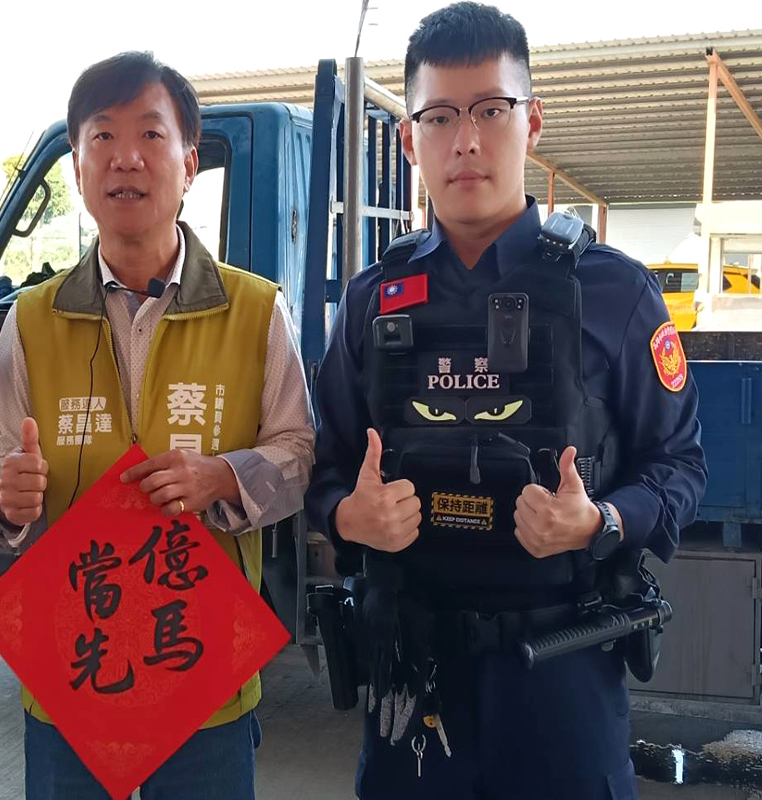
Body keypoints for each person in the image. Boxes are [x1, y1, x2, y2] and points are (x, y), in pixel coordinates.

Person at [303, 5, 708, 799]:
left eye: (491, 110)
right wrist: (349, 517)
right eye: (440, 116)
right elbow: (323, 469)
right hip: (412, 682)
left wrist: (600, 521)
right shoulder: (371, 300)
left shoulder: (615, 293)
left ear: (533, 121)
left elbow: (680, 464)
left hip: (563, 673)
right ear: (409, 138)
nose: (466, 141)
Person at [0, 51, 315, 798]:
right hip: (70, 681)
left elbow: (299, 454)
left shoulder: (257, 311)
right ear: (79, 168)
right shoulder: (31, 319)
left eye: (151, 135)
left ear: (189, 164)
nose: (126, 157)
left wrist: (224, 477)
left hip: (204, 685)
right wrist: (6, 500)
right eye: (103, 136)